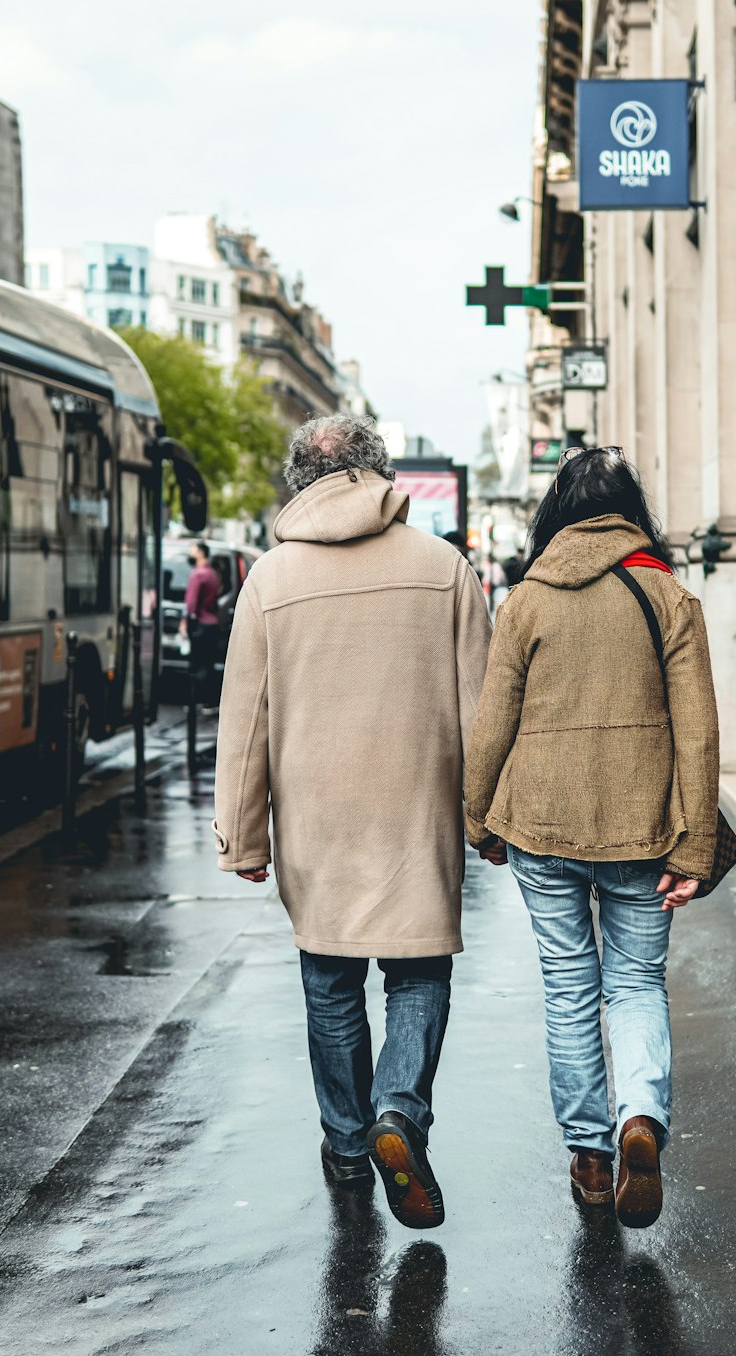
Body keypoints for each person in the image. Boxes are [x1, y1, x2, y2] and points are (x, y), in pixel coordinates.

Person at [213, 415, 494, 1229]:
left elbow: (246, 719)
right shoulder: (444, 568)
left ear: (300, 480)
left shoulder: (268, 579)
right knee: (417, 973)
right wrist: (486, 822)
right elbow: (483, 710)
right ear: (378, 472)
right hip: (416, 811)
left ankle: (345, 1144)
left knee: (331, 984)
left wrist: (244, 836)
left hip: (316, 820)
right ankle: (398, 1114)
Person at [464, 445, 720, 1228]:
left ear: (555, 515)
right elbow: (700, 734)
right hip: (644, 829)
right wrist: (695, 849)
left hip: (543, 827)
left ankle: (589, 1155)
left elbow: (490, 727)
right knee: (636, 983)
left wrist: (479, 822)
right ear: (630, 511)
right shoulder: (667, 596)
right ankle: (638, 1114)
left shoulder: (526, 602)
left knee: (570, 988)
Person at [180, 541, 221, 706]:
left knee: (198, 664)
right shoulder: (212, 574)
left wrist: (184, 623)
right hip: (212, 623)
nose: (190, 554)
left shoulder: (198, 574)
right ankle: (209, 701)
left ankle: (198, 701)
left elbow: (191, 604)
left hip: (200, 624)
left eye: (193, 551)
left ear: (202, 553)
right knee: (209, 664)